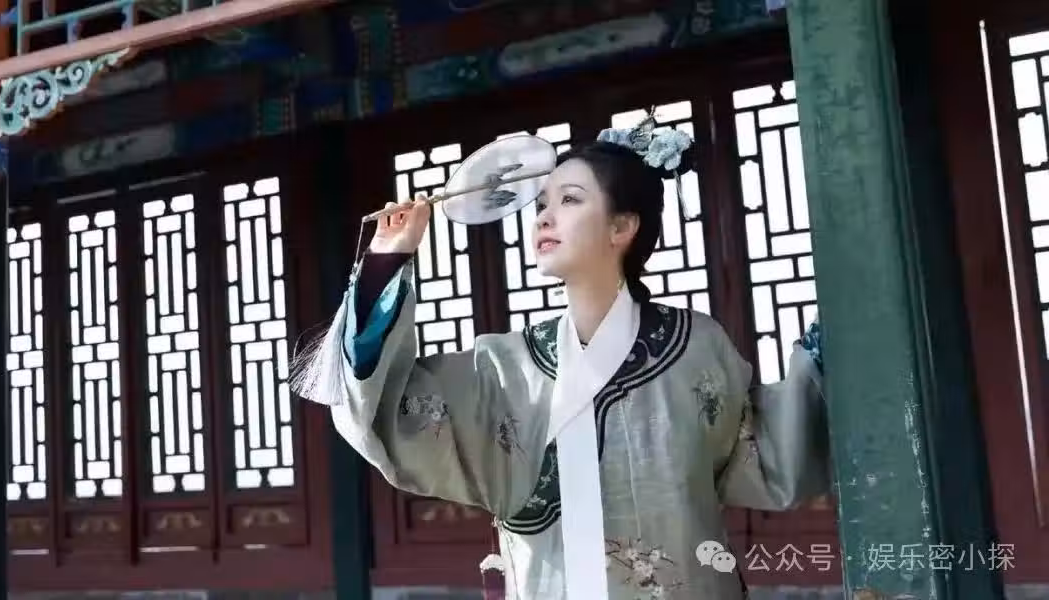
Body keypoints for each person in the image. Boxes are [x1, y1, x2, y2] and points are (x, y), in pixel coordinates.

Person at [293, 119, 830, 599]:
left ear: (622, 227)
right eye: (541, 205)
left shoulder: (696, 346)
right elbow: (386, 408)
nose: (544, 218)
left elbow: (768, 451)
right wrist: (387, 260)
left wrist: (829, 351)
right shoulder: (504, 367)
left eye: (570, 200)